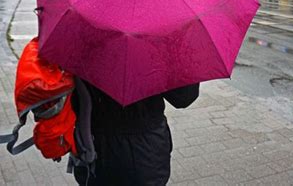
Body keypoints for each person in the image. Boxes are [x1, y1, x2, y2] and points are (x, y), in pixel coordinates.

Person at [71, 79, 200, 185]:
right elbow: (184, 97)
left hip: (91, 147)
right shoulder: (155, 48)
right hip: (145, 153)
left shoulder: (78, 48)